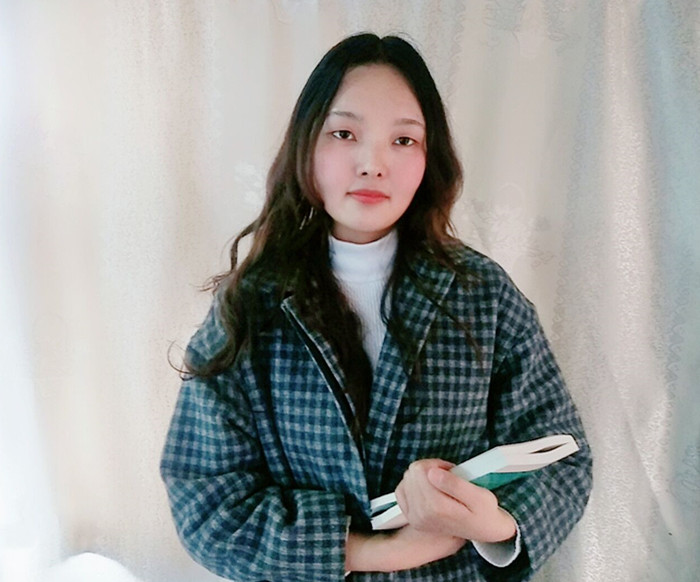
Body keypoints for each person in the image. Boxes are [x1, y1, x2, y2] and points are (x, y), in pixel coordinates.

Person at [160, 33, 593, 581]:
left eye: (404, 140)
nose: (373, 163)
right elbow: (203, 493)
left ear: (430, 157)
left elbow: (563, 457)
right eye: (345, 133)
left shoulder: (482, 294)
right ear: (307, 146)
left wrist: (494, 523)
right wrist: (379, 551)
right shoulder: (252, 303)